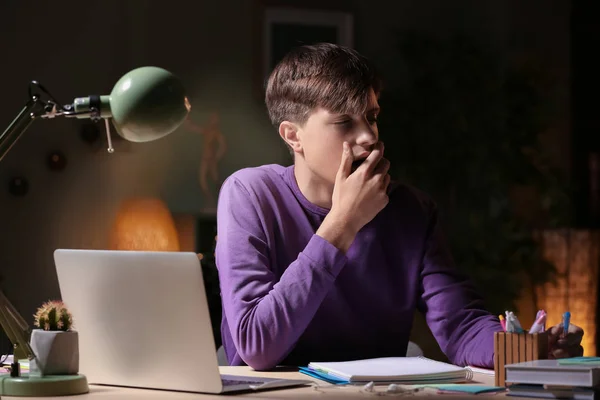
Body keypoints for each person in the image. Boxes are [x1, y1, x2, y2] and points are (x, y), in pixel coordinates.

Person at [214, 43, 583, 370]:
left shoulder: (411, 209)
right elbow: (256, 346)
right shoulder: (249, 194)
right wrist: (343, 223)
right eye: (344, 122)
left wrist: (527, 349)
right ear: (293, 135)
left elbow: (461, 326)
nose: (369, 137)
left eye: (372, 117)